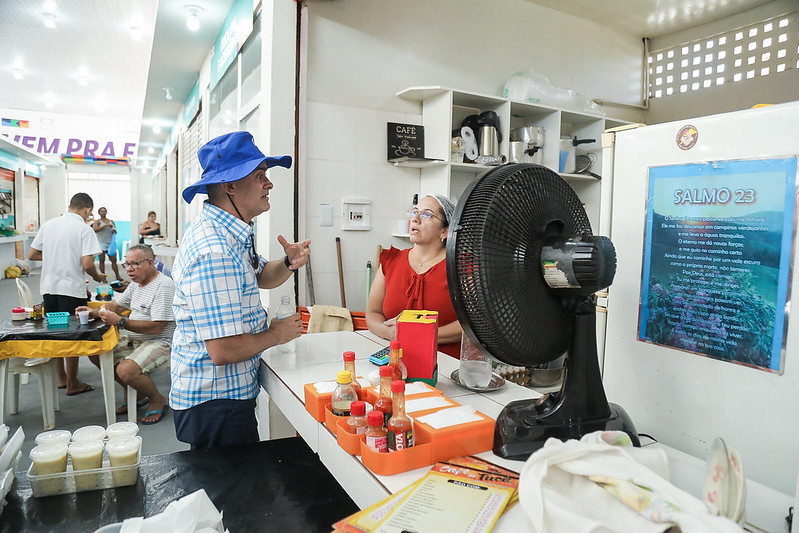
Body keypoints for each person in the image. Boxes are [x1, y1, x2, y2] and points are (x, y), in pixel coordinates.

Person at [170, 131, 310, 450]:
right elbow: (224, 351)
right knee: (229, 496)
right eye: (260, 176)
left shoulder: (231, 235)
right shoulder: (214, 250)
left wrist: (287, 263)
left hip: (223, 398)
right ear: (229, 186)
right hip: (216, 402)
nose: (269, 184)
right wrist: (278, 333)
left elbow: (261, 276)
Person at [77, 244, 174, 425]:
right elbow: (117, 306)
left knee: (125, 370)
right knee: (95, 351)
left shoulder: (163, 286)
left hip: (160, 341)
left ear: (150, 263)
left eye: (135, 264)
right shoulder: (137, 283)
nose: (129, 269)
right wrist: (94, 312)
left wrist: (120, 321)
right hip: (134, 338)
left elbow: (157, 328)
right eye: (127, 264)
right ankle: (137, 391)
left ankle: (156, 398)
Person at [28, 192, 107, 395]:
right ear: (88, 210)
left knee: (55, 332)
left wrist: (57, 255)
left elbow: (32, 254)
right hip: (71, 289)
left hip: (48, 288)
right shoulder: (84, 228)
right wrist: (97, 276)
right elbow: (87, 264)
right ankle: (73, 383)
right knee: (73, 335)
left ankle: (61, 378)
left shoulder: (48, 225)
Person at [366, 194, 462, 358]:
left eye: (426, 214)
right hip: (395, 359)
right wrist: (389, 333)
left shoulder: (460, 268)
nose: (415, 219)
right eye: (414, 212)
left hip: (445, 365)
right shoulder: (391, 261)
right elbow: (373, 312)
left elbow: (470, 327)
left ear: (445, 232)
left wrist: (416, 334)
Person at [92, 206, 121, 280]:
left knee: (114, 260)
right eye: (101, 211)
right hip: (101, 243)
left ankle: (117, 276)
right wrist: (104, 226)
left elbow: (115, 230)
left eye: (104, 211)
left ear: (106, 212)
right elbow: (95, 229)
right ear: (99, 213)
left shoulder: (111, 221)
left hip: (110, 243)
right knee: (102, 260)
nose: (103, 212)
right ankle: (103, 277)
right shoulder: (97, 221)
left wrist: (113, 230)